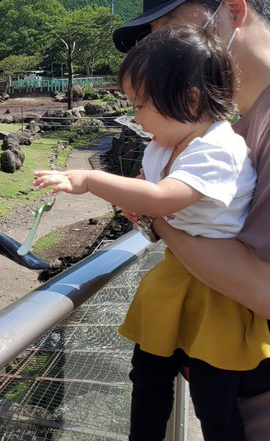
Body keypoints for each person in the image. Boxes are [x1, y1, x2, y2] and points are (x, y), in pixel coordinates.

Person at [34, 22, 269, 441]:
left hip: (218, 291)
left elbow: (161, 199)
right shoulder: (166, 143)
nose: (137, 119)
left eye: (141, 106)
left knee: (215, 403)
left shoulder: (218, 148)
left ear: (190, 98)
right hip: (179, 274)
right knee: (147, 380)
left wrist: (89, 182)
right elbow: (148, 191)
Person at [112, 0, 270, 439]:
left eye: (173, 33)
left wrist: (159, 215)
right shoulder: (229, 125)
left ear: (235, 11)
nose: (165, 55)